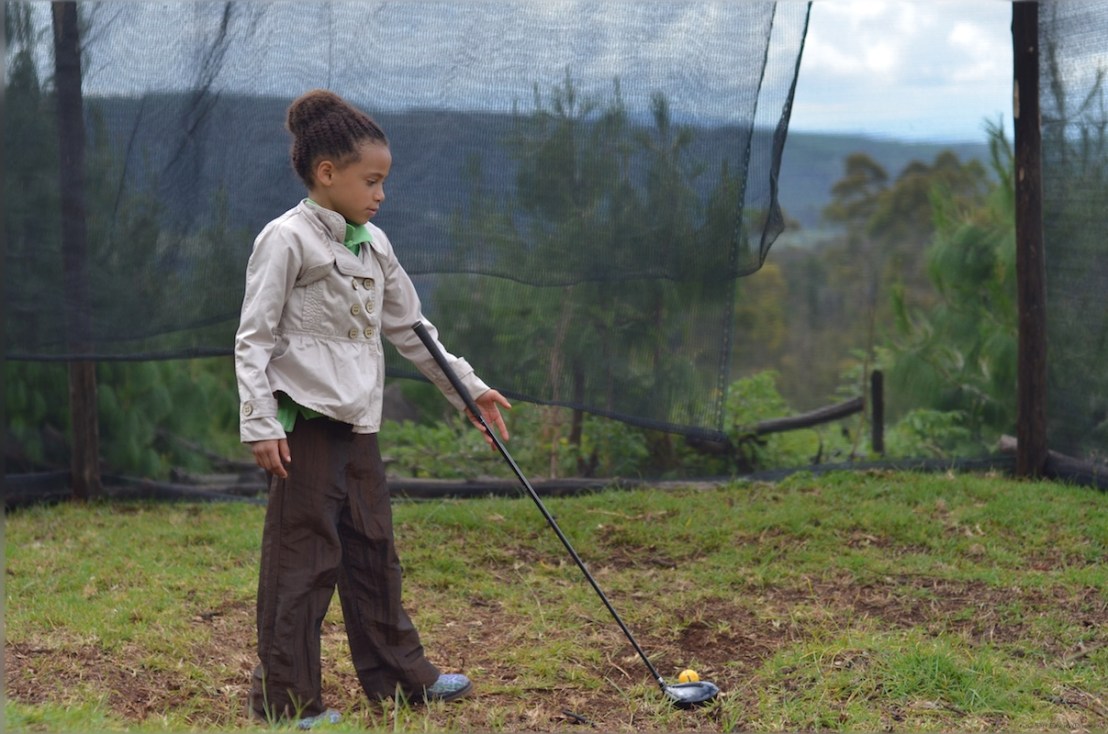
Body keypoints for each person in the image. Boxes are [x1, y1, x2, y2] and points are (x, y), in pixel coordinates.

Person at [235, 89, 511, 729]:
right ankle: (286, 703)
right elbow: (255, 339)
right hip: (304, 426)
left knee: (373, 549)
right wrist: (260, 422)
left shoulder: (373, 243)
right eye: (372, 180)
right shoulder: (286, 239)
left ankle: (399, 678)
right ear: (327, 174)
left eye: (383, 181)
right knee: (304, 563)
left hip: (360, 428)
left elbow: (413, 328)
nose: (380, 194)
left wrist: (467, 389)